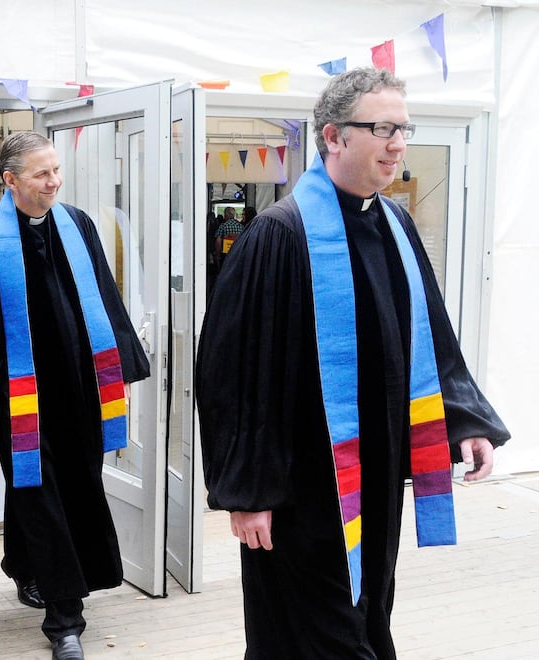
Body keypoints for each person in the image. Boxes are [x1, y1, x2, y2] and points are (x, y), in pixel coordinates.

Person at [196, 67, 510, 659]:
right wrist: (249, 492)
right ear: (335, 135)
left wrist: (462, 421)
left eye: (404, 128)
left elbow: (430, 337)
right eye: (384, 128)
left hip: (376, 474)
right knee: (309, 635)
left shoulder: (394, 225)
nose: (399, 144)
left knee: (366, 617)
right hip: (301, 491)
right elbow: (234, 377)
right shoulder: (279, 235)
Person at [0, 131, 150, 660]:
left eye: (56, 170)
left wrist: (121, 373)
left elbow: (105, 297)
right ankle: (65, 620)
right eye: (42, 174)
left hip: (81, 392)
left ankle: (23, 568)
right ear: (11, 181)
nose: (55, 181)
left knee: (71, 488)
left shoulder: (77, 225)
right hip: (20, 402)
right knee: (39, 496)